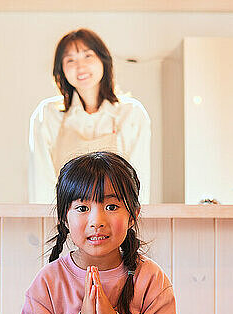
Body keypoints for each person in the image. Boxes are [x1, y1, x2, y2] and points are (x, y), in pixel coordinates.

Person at [21, 152, 181, 314]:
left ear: (133, 216)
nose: (97, 221)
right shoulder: (48, 281)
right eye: (82, 208)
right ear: (64, 218)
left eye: (111, 207)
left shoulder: (150, 278)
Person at [29, 29, 151, 204]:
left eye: (88, 56)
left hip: (116, 222)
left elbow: (140, 183)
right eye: (70, 60)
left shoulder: (132, 114)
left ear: (103, 60)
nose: (80, 66)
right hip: (66, 221)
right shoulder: (46, 115)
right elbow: (42, 183)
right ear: (61, 69)